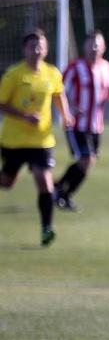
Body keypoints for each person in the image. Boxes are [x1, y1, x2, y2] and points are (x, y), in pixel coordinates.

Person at [0, 28, 74, 246]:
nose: (37, 50)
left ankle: (47, 229)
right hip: (14, 141)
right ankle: (12, 174)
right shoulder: (14, 74)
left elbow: (59, 94)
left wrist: (66, 115)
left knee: (44, 181)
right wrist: (24, 116)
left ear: (46, 49)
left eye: (40, 45)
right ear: (24, 49)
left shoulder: (52, 73)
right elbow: (2, 103)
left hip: (42, 141)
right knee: (6, 182)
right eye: (32, 46)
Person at [53, 29, 109, 211]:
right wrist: (70, 108)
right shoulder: (75, 67)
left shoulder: (106, 67)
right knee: (86, 160)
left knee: (86, 163)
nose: (94, 48)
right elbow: (59, 91)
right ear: (84, 46)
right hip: (76, 124)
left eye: (97, 44)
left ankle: (61, 192)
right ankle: (60, 190)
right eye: (90, 44)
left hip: (95, 125)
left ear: (104, 47)